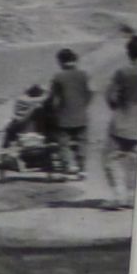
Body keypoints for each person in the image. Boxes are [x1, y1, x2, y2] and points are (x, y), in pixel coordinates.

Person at [104, 34, 137, 208]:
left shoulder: (123, 72)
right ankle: (134, 195)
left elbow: (111, 96)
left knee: (112, 158)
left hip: (124, 120)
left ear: (129, 53)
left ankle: (120, 195)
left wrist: (118, 106)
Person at [48, 48, 92, 181]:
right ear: (75, 60)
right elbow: (90, 92)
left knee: (63, 143)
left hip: (64, 117)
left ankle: (68, 167)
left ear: (61, 62)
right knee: (82, 142)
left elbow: (53, 98)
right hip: (81, 116)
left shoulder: (58, 77)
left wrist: (54, 110)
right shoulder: (84, 75)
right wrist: (83, 104)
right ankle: (82, 169)